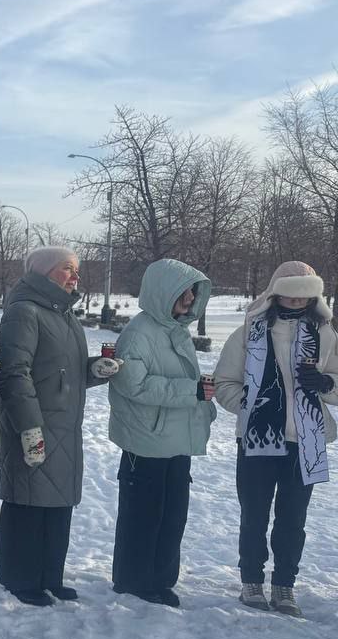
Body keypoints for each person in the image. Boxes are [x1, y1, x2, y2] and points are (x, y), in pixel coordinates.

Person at [0, 247, 120, 606]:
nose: (75, 277)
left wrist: (94, 370)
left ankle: (50, 575)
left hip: (65, 424)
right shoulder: (24, 312)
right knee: (29, 500)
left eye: (76, 270)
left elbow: (65, 372)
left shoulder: (65, 316)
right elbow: (15, 373)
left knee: (57, 502)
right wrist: (29, 427)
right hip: (34, 422)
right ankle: (20, 578)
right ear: (44, 271)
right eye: (68, 269)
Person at [214, 261, 337, 618]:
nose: (296, 302)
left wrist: (326, 383)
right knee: (254, 514)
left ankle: (285, 584)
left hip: (306, 440)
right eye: (289, 294)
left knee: (292, 519)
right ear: (274, 293)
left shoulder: (326, 335)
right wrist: (251, 406)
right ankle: (251, 580)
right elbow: (225, 382)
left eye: (304, 296)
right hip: (257, 439)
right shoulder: (248, 332)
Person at [108, 259, 216, 608]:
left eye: (193, 292)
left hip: (176, 438)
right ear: (162, 292)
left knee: (172, 516)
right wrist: (192, 392)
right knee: (143, 516)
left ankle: (161, 579)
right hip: (146, 440)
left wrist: (203, 405)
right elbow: (133, 385)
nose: (190, 298)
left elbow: (185, 382)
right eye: (184, 292)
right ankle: (134, 581)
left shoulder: (176, 331)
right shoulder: (138, 333)